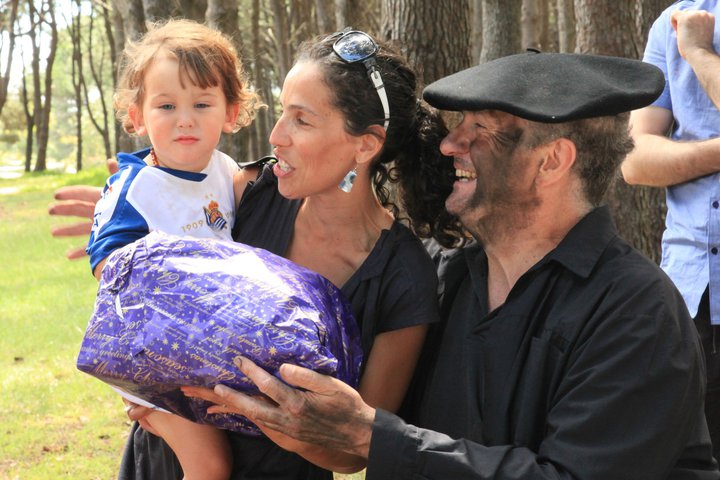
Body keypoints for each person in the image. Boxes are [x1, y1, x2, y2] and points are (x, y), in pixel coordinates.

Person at [184, 51, 720, 479]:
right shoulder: (447, 280)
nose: (449, 143)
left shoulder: (636, 313)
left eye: (480, 129)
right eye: (457, 124)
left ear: (551, 161)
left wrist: (373, 437)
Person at [50, 29, 465, 479]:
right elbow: (180, 205)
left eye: (301, 120)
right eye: (282, 112)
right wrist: (125, 208)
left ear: (365, 144)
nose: (276, 136)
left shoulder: (404, 277)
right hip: (164, 462)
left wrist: (263, 413)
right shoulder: (254, 192)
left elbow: (353, 452)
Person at [81, 19, 261, 480]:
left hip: (211, 356)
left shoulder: (228, 172)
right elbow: (107, 264)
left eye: (202, 103)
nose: (185, 118)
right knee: (211, 466)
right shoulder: (135, 189)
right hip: (156, 361)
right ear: (137, 116)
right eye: (166, 105)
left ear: (230, 111)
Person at [620, 0, 720, 461]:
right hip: (689, 292)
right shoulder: (674, 20)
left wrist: (699, 54)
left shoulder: (691, 33)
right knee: (688, 462)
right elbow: (636, 161)